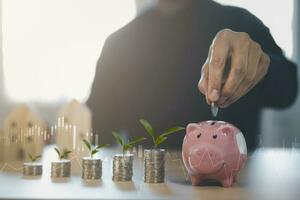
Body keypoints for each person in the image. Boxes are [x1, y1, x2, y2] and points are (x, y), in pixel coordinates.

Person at [87, 0, 298, 151]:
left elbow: (288, 90)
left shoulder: (242, 24)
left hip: (232, 186)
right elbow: (98, 123)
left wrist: (260, 67)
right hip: (148, 184)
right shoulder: (118, 43)